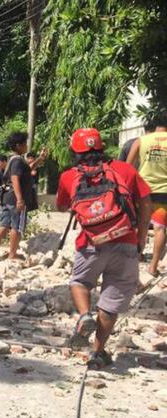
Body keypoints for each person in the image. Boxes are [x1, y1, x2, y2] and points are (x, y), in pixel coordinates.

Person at [56, 128, 152, 369]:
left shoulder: (69, 176)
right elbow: (146, 201)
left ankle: (85, 314)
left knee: (80, 282)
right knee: (111, 302)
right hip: (125, 240)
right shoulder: (125, 169)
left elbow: (61, 206)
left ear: (74, 151)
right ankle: (97, 353)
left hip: (90, 243)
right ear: (102, 147)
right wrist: (141, 236)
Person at [126, 113, 167, 276]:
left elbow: (127, 167)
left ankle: (137, 258)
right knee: (160, 229)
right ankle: (153, 267)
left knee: (141, 225)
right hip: (165, 192)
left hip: (143, 191)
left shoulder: (141, 141)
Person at [0, 132, 35, 261]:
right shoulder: (18, 161)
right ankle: (12, 254)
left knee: (4, 224)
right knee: (17, 226)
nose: (26, 146)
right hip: (15, 199)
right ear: (18, 145)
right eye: (25, 143)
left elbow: (27, 171)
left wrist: (39, 160)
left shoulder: (13, 160)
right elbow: (15, 178)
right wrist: (20, 199)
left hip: (7, 197)